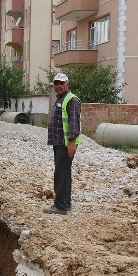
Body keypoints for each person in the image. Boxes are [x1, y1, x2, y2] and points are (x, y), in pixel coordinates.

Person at [45, 73, 82, 215]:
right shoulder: (62, 99)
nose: (59, 86)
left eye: (61, 83)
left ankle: (60, 206)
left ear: (67, 84)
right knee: (64, 173)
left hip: (65, 143)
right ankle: (65, 203)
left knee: (61, 173)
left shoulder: (71, 100)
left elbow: (74, 123)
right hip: (60, 142)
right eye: (56, 83)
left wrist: (71, 143)